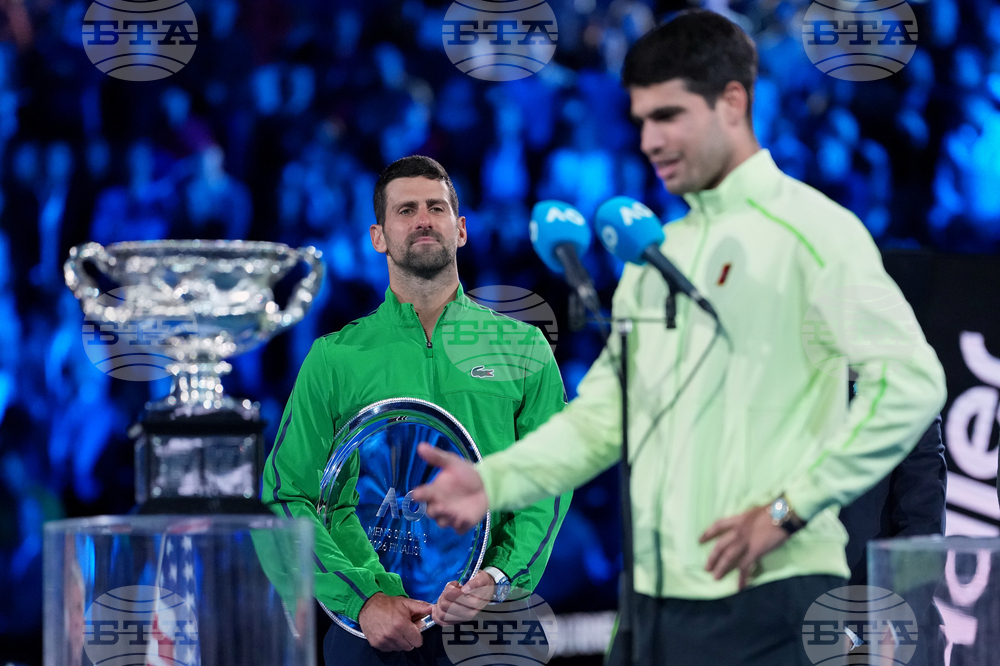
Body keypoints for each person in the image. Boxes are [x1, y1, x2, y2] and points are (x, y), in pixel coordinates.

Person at [411, 11, 946, 665]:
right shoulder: (656, 259)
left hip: (775, 602)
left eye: (669, 116)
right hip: (652, 610)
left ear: (732, 103)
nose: (650, 141)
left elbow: (912, 385)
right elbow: (602, 418)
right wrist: (493, 482)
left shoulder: (815, 234)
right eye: (641, 120)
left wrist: (790, 509)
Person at [261, 155, 571, 665]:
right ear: (378, 236)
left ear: (461, 229)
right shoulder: (334, 358)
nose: (423, 219)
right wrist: (361, 600)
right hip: (370, 632)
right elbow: (285, 495)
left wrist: (497, 578)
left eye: (436, 207)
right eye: (406, 210)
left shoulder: (524, 348)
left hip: (489, 623)